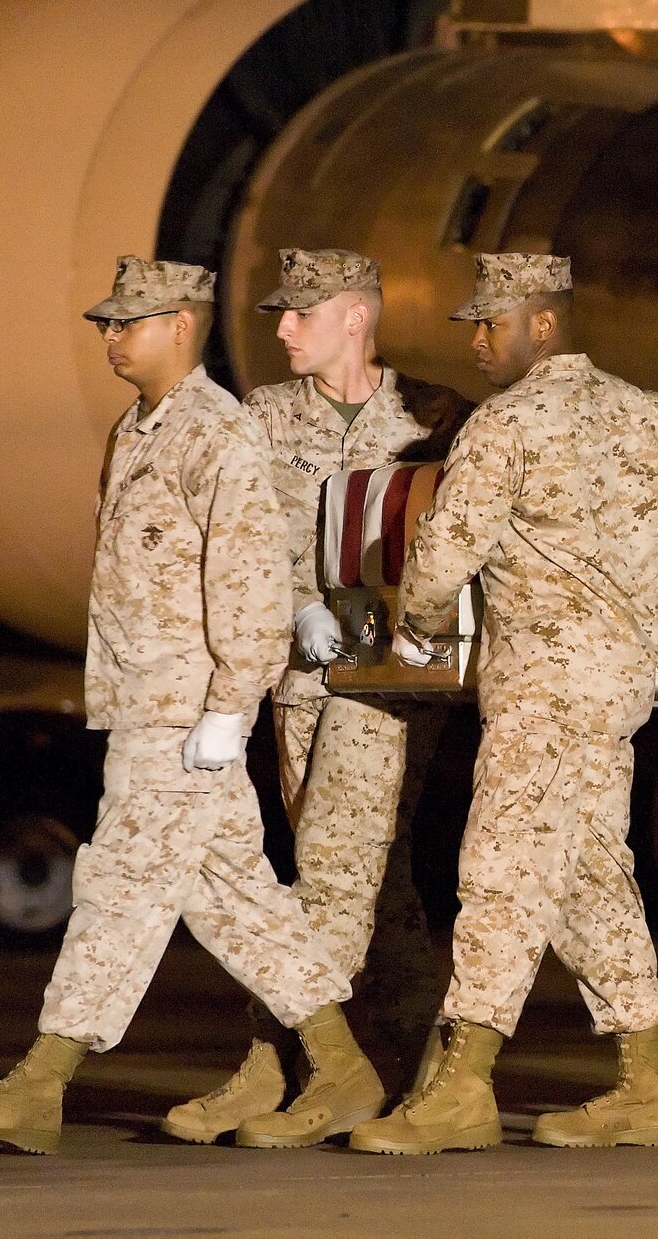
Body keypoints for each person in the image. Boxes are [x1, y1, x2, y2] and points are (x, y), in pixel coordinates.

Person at [0, 256, 375, 1154]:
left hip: (186, 712)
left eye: (130, 322)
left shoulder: (217, 433)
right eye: (108, 324)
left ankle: (40, 1083)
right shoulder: (137, 429)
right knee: (237, 898)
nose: (111, 337)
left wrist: (228, 708)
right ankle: (343, 1064)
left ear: (182, 325)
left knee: (118, 888)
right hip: (146, 705)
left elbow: (248, 581)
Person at [346, 254, 658, 1154]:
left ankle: (463, 1084)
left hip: (540, 695)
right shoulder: (650, 416)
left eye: (492, 323)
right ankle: (646, 1081)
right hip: (616, 695)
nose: (477, 341)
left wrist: (415, 628)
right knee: (590, 877)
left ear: (543, 325)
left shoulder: (505, 425)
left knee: (499, 872)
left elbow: (443, 553)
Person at [162, 249, 469, 1145]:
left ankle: (283, 1063)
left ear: (356, 316)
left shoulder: (437, 415)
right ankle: (418, 1062)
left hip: (397, 682)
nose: (284, 329)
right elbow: (243, 535)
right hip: (303, 680)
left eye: (302, 313)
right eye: (282, 315)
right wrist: (299, 602)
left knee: (338, 870)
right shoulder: (263, 416)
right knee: (367, 873)